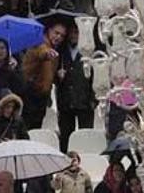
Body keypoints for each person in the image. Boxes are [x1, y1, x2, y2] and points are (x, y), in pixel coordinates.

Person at [56, 23, 97, 153]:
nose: (74, 36)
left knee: (86, 135)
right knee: (66, 136)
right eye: (72, 32)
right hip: (65, 102)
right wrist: (58, 77)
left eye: (77, 33)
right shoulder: (60, 53)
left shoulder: (89, 52)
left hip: (85, 101)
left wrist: (93, 100)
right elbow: (53, 77)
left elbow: (95, 76)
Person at [21, 22, 66, 130]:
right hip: (30, 93)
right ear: (49, 30)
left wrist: (57, 76)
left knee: (36, 127)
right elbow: (42, 52)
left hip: (42, 96)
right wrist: (47, 53)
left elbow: (49, 74)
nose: (58, 37)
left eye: (62, 36)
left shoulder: (55, 50)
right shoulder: (40, 43)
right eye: (56, 33)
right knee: (27, 128)